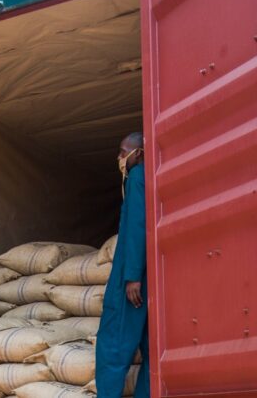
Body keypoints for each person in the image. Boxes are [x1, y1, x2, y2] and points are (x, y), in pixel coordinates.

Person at [96, 132, 150, 397]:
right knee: (152, 351)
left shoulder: (138, 177)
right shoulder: (150, 177)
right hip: (148, 276)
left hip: (132, 278)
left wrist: (131, 276)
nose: (119, 158)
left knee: (111, 347)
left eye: (122, 152)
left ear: (137, 153)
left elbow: (137, 228)